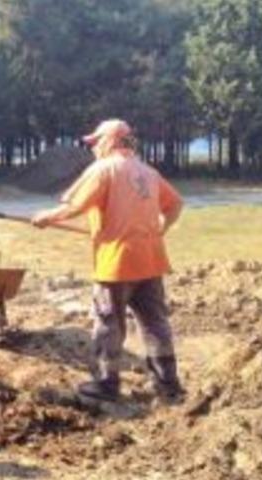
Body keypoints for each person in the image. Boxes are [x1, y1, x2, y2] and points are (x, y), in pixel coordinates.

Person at [31, 119, 185, 403]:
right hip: (151, 260)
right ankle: (168, 384)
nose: (93, 149)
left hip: (117, 263)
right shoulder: (148, 172)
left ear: (111, 140)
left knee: (108, 323)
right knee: (155, 323)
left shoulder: (104, 169)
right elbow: (176, 204)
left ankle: (106, 384)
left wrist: (45, 217)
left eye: (96, 142)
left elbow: (75, 206)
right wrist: (161, 229)